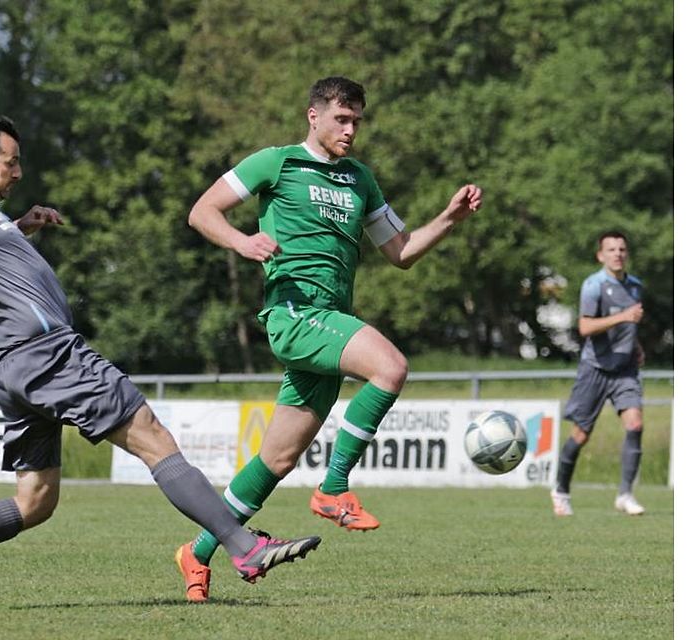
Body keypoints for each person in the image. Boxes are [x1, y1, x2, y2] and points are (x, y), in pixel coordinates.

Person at [0, 117, 321, 609]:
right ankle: (241, 545)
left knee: (36, 500)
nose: (19, 171)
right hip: (48, 354)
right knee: (152, 435)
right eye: (12, 162)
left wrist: (20, 225)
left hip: (16, 366)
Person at [177, 76, 482, 601]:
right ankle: (333, 488)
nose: (350, 130)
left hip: (329, 320)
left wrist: (449, 219)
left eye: (357, 121)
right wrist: (242, 241)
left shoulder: (360, 179)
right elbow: (203, 211)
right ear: (313, 116)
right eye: (342, 119)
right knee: (391, 367)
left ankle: (197, 552)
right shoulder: (275, 162)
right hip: (295, 314)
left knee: (276, 460)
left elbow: (401, 251)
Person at [550, 231, 647, 517]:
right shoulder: (593, 286)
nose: (617, 253)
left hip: (625, 369)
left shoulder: (636, 286)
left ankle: (625, 494)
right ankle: (561, 490)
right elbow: (585, 328)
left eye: (622, 249)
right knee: (580, 435)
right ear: (600, 255)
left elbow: (630, 326)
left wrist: (637, 346)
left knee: (635, 424)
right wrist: (624, 316)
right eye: (611, 249)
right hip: (595, 369)